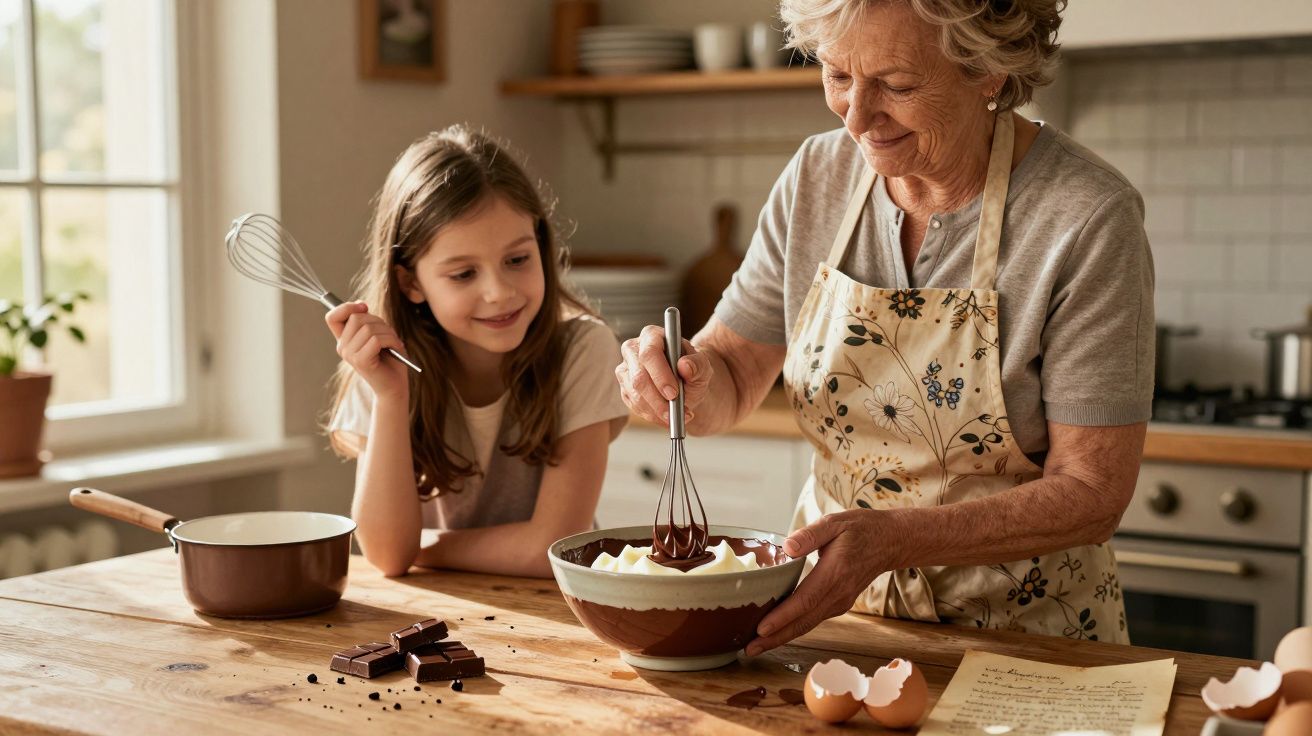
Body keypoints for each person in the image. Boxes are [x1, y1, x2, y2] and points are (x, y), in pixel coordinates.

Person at [616, 0, 1153, 654]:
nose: (856, 115)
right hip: (839, 623)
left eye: (897, 85)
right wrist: (681, 381)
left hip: (1028, 643)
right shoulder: (816, 176)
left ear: (988, 70)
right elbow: (730, 371)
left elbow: (1093, 492)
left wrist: (893, 540)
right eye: (838, 75)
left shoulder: (1086, 217)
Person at [326, 125, 628, 579]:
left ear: (541, 248)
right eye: (464, 274)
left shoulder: (582, 350)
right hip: (434, 616)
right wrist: (390, 397)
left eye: (517, 260)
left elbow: (551, 547)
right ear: (411, 283)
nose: (499, 292)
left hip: (550, 615)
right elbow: (388, 555)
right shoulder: (381, 363)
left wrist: (421, 546)